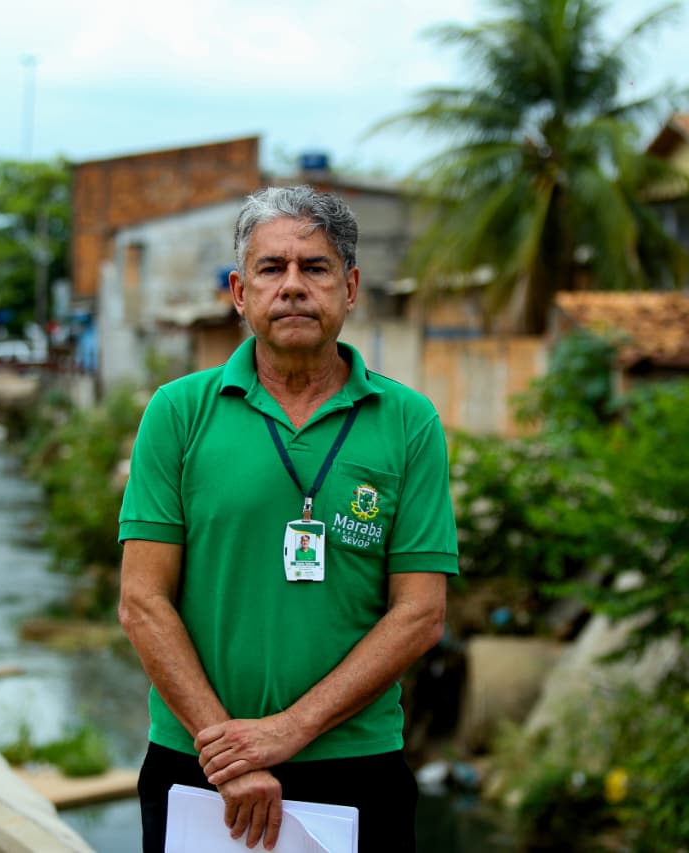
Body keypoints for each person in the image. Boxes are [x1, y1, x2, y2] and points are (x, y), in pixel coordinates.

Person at [118, 185, 458, 852]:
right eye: (272, 268)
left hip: (356, 765)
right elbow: (142, 601)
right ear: (240, 293)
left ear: (351, 286)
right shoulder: (179, 411)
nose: (294, 286)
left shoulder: (408, 421)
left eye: (316, 267)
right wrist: (232, 752)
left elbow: (419, 613)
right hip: (199, 763)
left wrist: (288, 729)